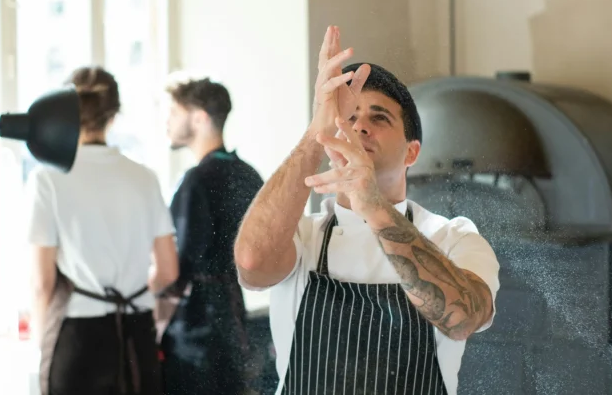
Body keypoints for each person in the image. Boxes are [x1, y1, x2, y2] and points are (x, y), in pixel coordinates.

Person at [234, 26, 500, 395]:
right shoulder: (302, 237)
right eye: (349, 118)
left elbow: (462, 319)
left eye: (379, 118)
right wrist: (317, 129)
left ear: (411, 152)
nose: (359, 127)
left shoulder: (454, 237)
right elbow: (251, 265)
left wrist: (372, 204)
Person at [27, 66, 179, 395]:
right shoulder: (144, 178)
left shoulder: (49, 179)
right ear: (114, 114)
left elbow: (42, 284)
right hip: (136, 336)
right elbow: (167, 271)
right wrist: (136, 292)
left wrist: (42, 345)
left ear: (64, 112)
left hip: (76, 339)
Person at [160, 76, 265, 395]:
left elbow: (180, 267)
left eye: (175, 112)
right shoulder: (248, 175)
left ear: (199, 117)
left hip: (195, 336)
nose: (168, 122)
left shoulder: (195, 181)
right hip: (235, 327)